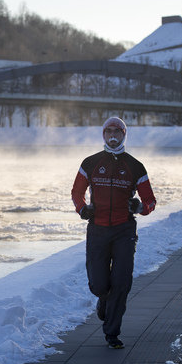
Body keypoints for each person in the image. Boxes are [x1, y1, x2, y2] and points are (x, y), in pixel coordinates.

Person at [71, 116, 156, 349]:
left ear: (124, 135)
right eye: (108, 131)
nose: (113, 136)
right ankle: (103, 300)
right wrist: (82, 209)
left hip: (124, 230)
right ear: (103, 135)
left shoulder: (135, 166)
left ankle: (112, 333)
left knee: (121, 282)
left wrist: (140, 207)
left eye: (117, 132)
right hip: (97, 229)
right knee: (99, 285)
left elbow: (150, 201)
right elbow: (77, 192)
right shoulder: (90, 162)